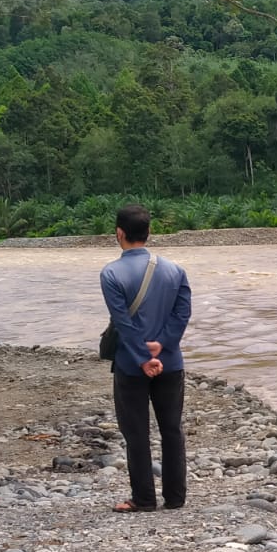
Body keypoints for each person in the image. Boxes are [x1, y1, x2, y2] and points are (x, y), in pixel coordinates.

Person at [100, 204, 191, 513]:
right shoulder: (175, 270)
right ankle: (176, 498)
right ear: (149, 233)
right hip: (170, 362)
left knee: (137, 433)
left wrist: (141, 357)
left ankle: (144, 499)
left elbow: (122, 321)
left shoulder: (111, 273)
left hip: (130, 365)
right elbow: (182, 313)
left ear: (119, 234)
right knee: (172, 430)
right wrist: (161, 346)